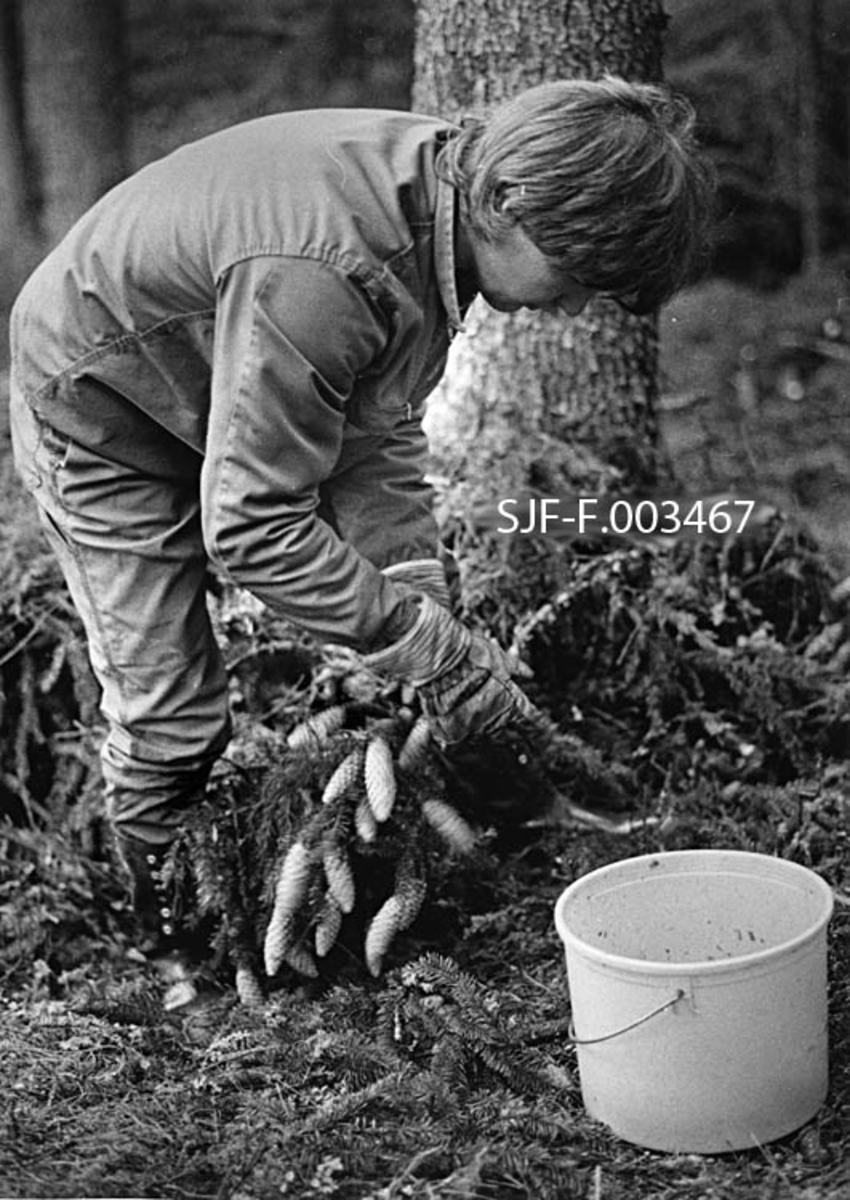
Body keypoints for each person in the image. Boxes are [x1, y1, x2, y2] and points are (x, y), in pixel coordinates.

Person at [9, 76, 714, 972]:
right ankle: (173, 947)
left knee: (395, 624)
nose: (575, 307)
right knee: (170, 715)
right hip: (102, 402)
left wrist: (415, 595)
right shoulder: (335, 266)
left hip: (218, 360)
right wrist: (417, 644)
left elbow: (373, 426)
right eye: (576, 275)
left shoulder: (443, 211)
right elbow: (256, 527)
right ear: (508, 199)